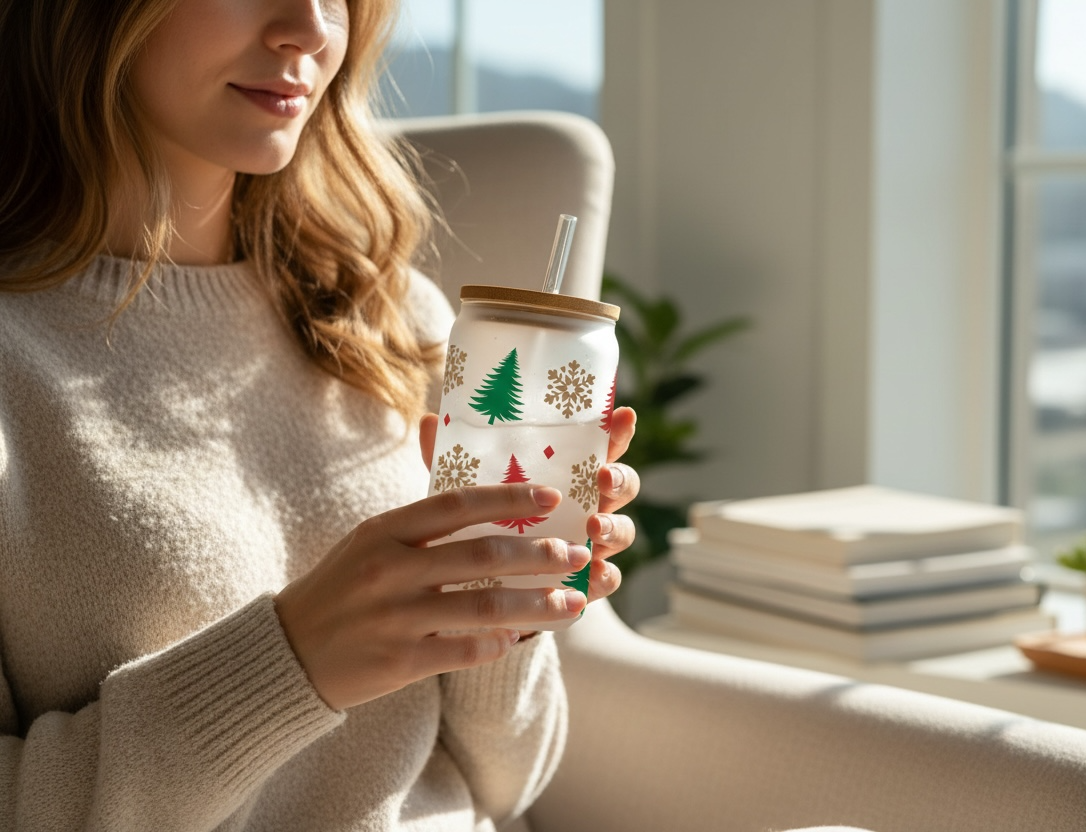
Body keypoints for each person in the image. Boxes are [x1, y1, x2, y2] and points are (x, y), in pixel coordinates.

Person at [0, 0, 639, 829]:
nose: (307, 26)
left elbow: (507, 783)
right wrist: (290, 665)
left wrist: (502, 604)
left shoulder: (389, 315)